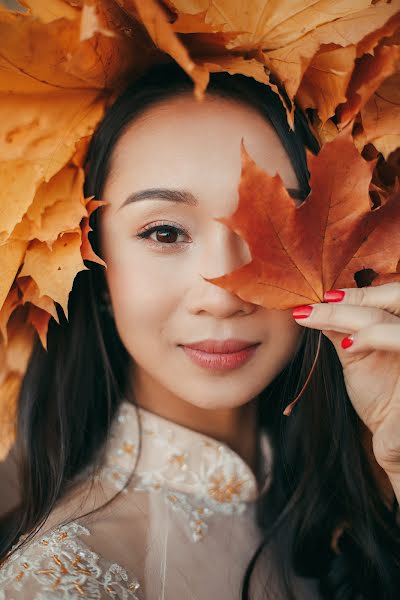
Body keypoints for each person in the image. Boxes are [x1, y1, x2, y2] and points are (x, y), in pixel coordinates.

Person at [0, 61, 399, 600]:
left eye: (273, 229)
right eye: (164, 232)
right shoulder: (61, 579)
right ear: (91, 263)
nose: (223, 296)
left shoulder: (360, 499)